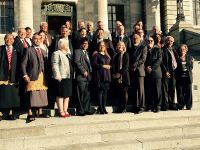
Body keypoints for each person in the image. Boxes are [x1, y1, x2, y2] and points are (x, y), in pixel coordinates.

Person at [21, 33, 49, 122]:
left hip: (42, 75)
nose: (37, 40)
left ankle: (40, 112)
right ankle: (29, 114)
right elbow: (23, 64)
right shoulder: (28, 50)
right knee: (31, 94)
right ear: (32, 40)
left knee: (41, 93)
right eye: (35, 39)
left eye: (39, 39)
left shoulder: (43, 51)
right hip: (32, 75)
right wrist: (25, 75)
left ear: (41, 40)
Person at [0, 34, 20, 121]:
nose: (9, 40)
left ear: (13, 40)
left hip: (13, 76)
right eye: (7, 38)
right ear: (4, 39)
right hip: (2, 75)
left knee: (12, 95)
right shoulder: (0, 49)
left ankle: (11, 113)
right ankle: (0, 113)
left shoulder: (17, 50)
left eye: (11, 38)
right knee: (1, 94)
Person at [51, 39, 73, 117]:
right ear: (62, 45)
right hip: (61, 77)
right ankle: (61, 111)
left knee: (67, 95)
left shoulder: (68, 54)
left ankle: (65, 110)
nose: (67, 46)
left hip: (68, 76)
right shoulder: (56, 53)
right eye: (66, 45)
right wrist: (57, 75)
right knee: (60, 94)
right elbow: (55, 64)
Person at [74, 37, 96, 116]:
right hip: (81, 76)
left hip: (88, 76)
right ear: (81, 44)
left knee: (87, 94)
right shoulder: (78, 51)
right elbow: (77, 62)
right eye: (84, 44)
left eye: (87, 44)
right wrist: (83, 71)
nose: (86, 45)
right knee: (80, 94)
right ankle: (80, 111)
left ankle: (86, 109)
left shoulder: (87, 52)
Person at [128, 34, 147, 114]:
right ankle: (136, 106)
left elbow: (143, 59)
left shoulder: (143, 47)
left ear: (140, 39)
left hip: (139, 71)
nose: (135, 39)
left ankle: (141, 107)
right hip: (132, 71)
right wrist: (130, 67)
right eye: (134, 38)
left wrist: (134, 65)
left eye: (136, 38)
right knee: (134, 89)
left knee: (140, 89)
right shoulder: (130, 48)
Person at [93, 41, 111, 114]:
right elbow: (94, 64)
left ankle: (104, 107)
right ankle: (100, 108)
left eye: (103, 45)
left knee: (105, 93)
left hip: (107, 76)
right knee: (100, 92)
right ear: (98, 46)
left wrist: (109, 66)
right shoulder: (96, 55)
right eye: (101, 45)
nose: (102, 46)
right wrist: (103, 66)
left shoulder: (107, 55)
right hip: (100, 76)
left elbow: (109, 64)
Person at [144, 37, 162, 112]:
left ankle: (157, 106)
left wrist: (151, 68)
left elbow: (159, 60)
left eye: (151, 41)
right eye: (148, 41)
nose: (150, 42)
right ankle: (150, 106)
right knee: (149, 90)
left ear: (154, 42)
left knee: (157, 91)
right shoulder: (144, 50)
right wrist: (146, 67)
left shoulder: (157, 50)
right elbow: (142, 60)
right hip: (147, 74)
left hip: (156, 73)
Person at [161, 36, 179, 111]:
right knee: (165, 89)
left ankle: (172, 104)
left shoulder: (174, 50)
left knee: (172, 88)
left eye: (171, 41)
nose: (170, 42)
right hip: (166, 71)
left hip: (174, 72)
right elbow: (161, 62)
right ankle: (165, 105)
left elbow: (178, 59)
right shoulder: (162, 50)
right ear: (165, 41)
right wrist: (165, 71)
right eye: (168, 41)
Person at [112, 41, 130, 113]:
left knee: (124, 92)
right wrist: (114, 73)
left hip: (124, 76)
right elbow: (113, 65)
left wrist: (120, 73)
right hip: (117, 76)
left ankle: (124, 108)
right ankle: (119, 107)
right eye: (118, 45)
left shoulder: (126, 54)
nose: (120, 47)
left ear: (123, 47)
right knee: (119, 92)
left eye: (121, 45)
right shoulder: (115, 55)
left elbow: (126, 66)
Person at [176, 44, 194, 110]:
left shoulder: (190, 58)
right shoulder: (177, 57)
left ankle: (189, 105)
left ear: (186, 50)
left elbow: (191, 67)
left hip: (188, 77)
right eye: (181, 49)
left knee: (188, 92)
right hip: (179, 77)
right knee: (180, 92)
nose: (182, 50)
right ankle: (181, 105)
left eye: (183, 49)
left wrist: (191, 63)